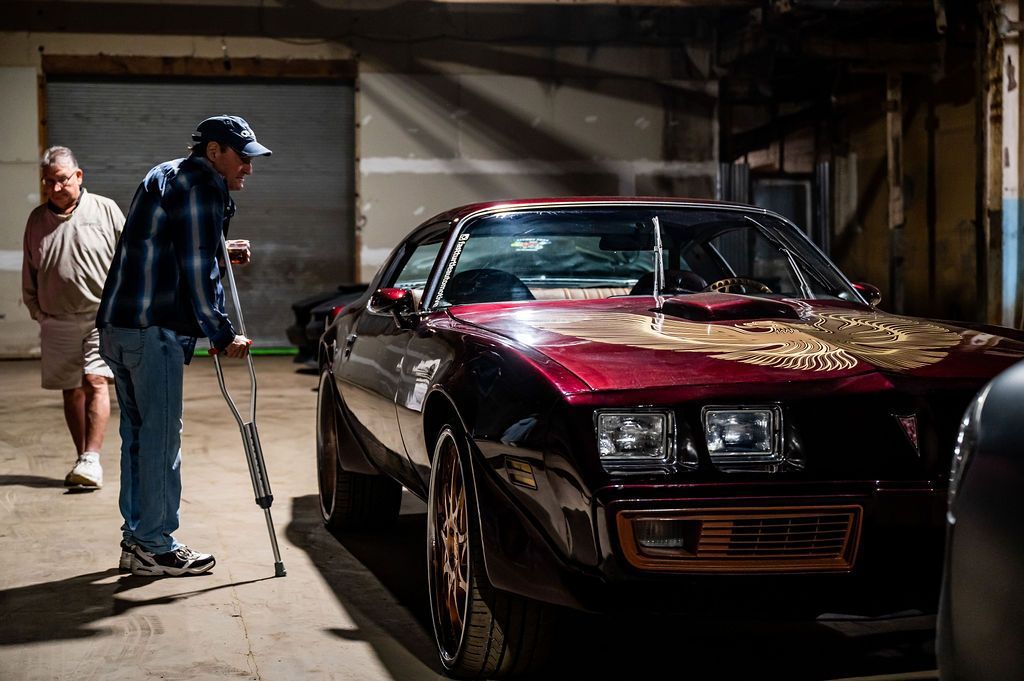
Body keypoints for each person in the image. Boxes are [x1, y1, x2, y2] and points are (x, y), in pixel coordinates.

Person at [96, 115, 271, 577]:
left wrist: (219, 245)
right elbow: (196, 268)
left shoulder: (165, 173)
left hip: (120, 325)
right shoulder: (203, 186)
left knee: (138, 436)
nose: (248, 169)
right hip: (154, 330)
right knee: (159, 439)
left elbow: (164, 242)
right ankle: (155, 545)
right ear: (214, 152)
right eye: (242, 158)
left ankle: (137, 539)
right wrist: (222, 332)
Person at [22, 146, 125, 490]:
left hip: (101, 316)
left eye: (62, 180)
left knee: (95, 380)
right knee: (71, 391)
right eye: (48, 182)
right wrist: (38, 311)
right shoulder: (37, 220)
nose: (54, 188)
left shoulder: (106, 209)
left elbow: (130, 257)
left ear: (79, 177)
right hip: (57, 319)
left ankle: (92, 458)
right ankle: (83, 458)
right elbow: (30, 271)